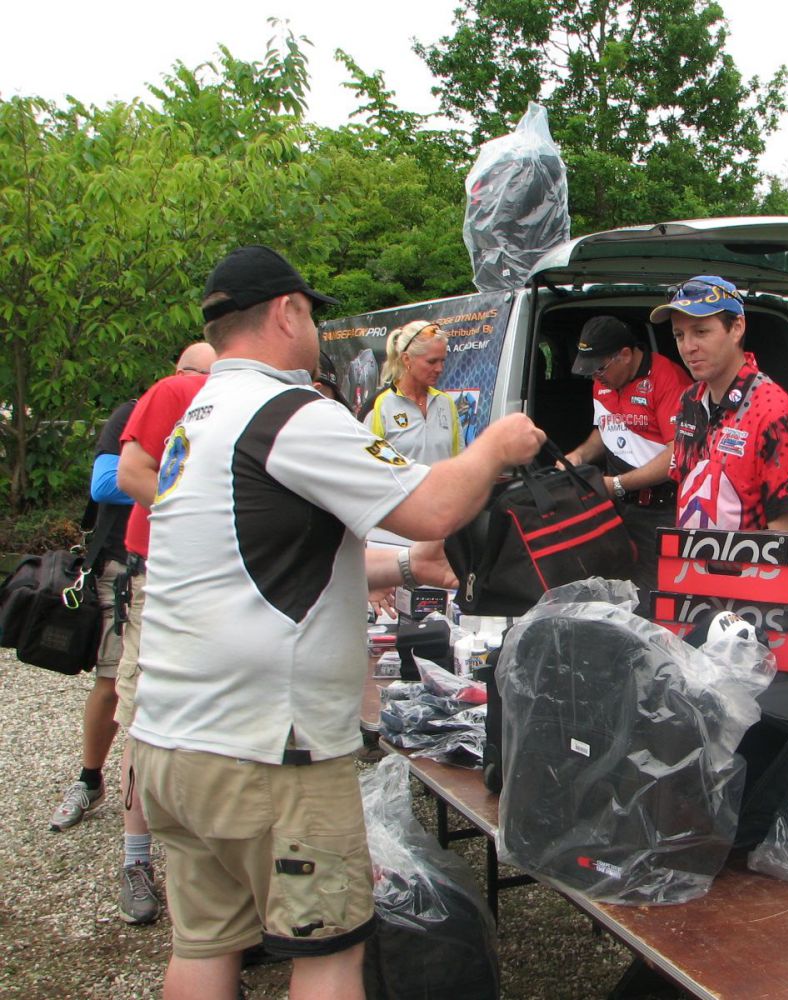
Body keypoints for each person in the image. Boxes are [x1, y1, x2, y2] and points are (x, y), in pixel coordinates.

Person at [128, 244, 543, 1000]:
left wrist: (410, 566)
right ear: (287, 311)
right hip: (269, 749)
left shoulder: (201, 419)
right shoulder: (289, 414)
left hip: (174, 738)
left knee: (206, 946)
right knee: (330, 954)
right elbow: (433, 506)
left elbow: (274, 558)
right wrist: (495, 444)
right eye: (312, 314)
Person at [112, 340, 217, 924]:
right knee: (144, 715)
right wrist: (209, 520)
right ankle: (136, 859)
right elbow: (129, 474)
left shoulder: (254, 399)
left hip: (210, 577)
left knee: (201, 715)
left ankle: (204, 860)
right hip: (161, 572)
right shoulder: (179, 389)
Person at [652, 276, 788, 532]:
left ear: (737, 328)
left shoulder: (773, 410)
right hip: (689, 556)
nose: (688, 347)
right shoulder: (689, 401)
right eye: (679, 335)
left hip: (749, 558)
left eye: (701, 332)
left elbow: (786, 532)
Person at [47, 399, 136, 832]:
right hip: (123, 567)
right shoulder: (132, 413)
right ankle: (89, 778)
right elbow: (104, 484)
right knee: (112, 679)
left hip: (189, 568)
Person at [565, 316, 692, 596]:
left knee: (655, 596)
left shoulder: (667, 379)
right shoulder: (602, 381)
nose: (595, 377)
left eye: (599, 369)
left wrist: (618, 484)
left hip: (662, 509)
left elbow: (678, 454)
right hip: (617, 509)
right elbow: (605, 429)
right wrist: (578, 456)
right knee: (612, 590)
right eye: (590, 372)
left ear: (624, 354)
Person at [360, 320, 462, 463]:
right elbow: (368, 465)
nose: (439, 369)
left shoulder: (446, 403)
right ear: (407, 359)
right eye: (432, 361)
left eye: (442, 361)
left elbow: (458, 460)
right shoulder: (380, 406)